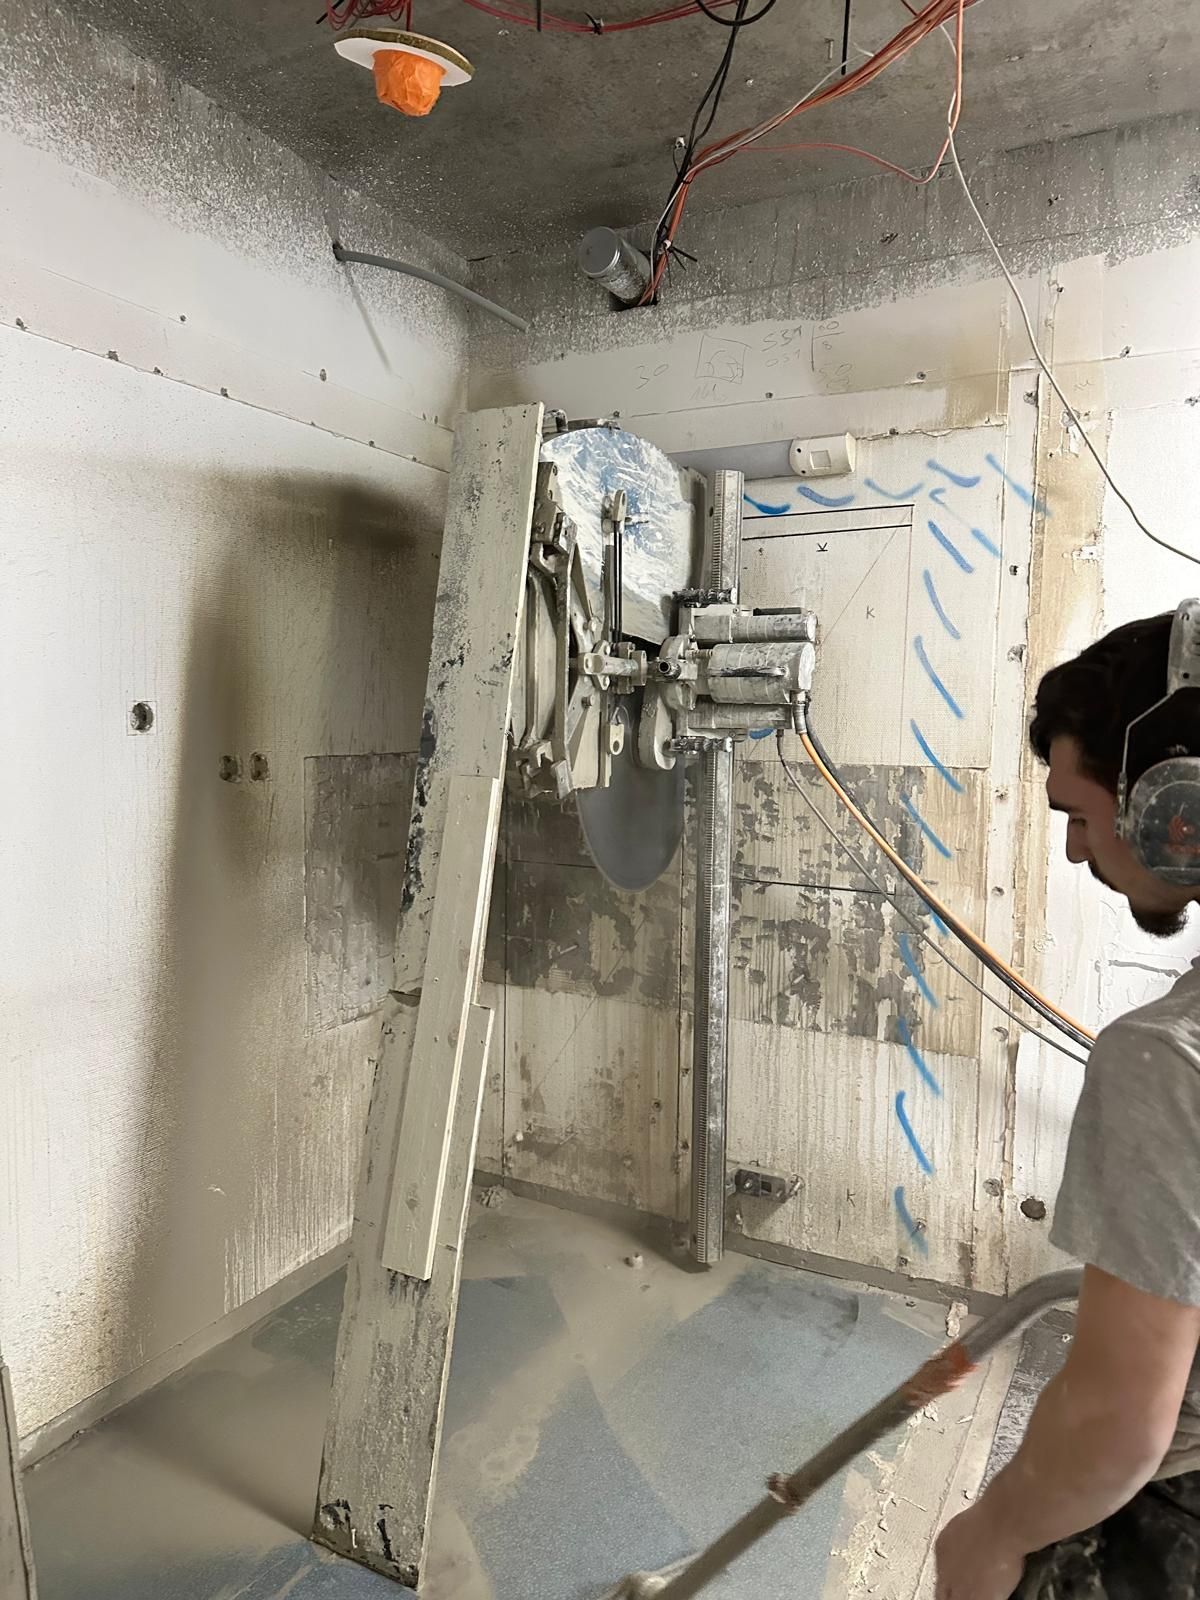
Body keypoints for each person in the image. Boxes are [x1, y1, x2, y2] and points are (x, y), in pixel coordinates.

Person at [935, 610, 1200, 1599]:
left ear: (1177, 805)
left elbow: (1117, 1422)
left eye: (1081, 816)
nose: (1080, 852)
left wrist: (993, 1533)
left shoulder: (1163, 1058)